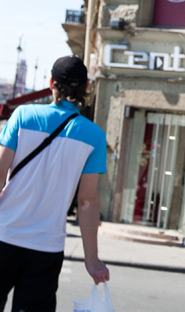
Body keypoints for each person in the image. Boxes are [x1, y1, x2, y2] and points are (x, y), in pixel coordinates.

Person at [0, 55, 110, 311]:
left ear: (51, 82)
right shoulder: (94, 136)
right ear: (85, 88)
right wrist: (91, 260)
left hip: (4, 235)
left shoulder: (23, 115)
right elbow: (87, 201)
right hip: (46, 247)